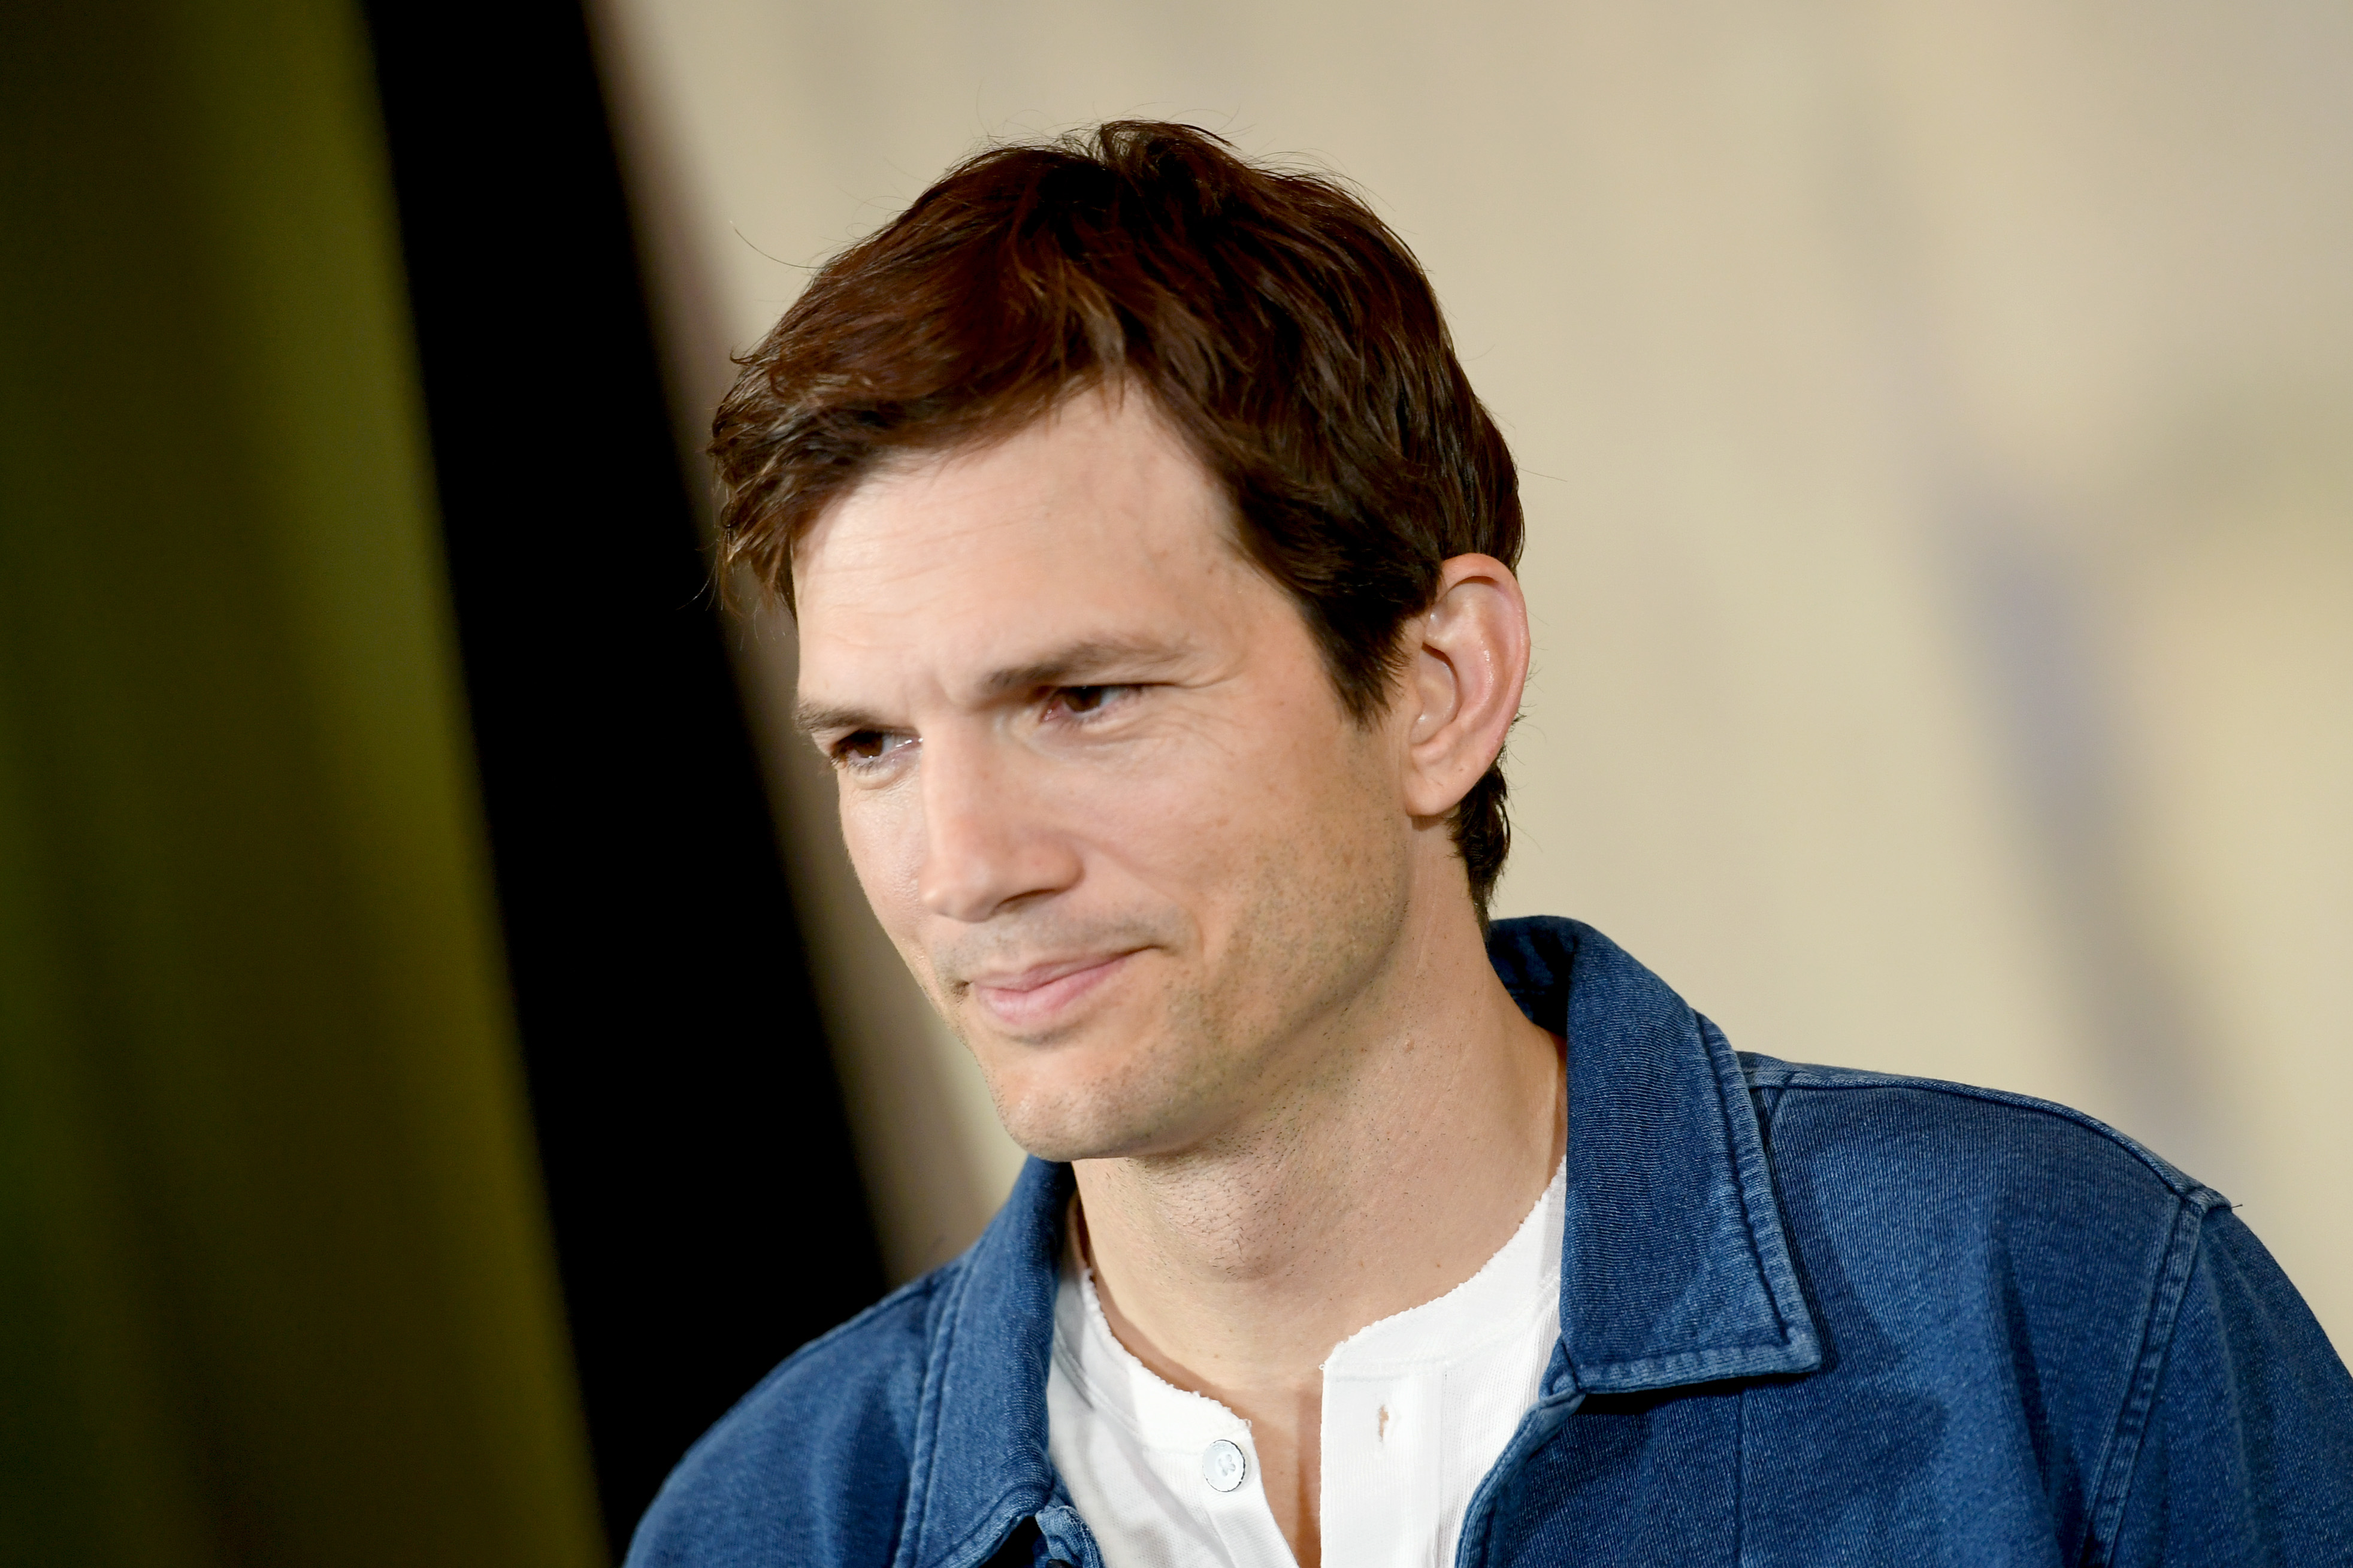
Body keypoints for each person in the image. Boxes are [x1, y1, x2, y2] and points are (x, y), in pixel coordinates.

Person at [626, 123, 2353, 1568]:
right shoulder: (769, 1527)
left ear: (1440, 687)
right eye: (872, 744)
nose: (963, 863)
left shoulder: (2065, 1315)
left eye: (1083, 697)